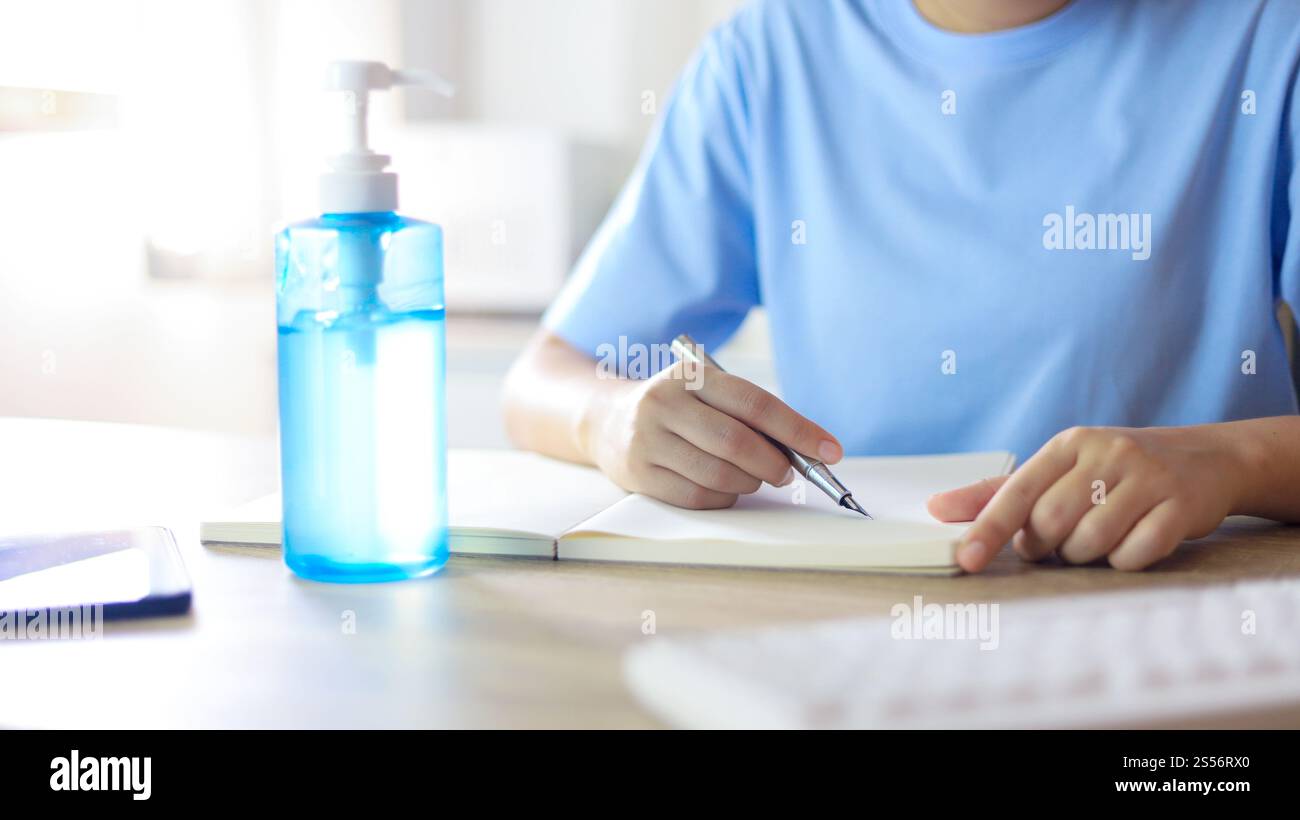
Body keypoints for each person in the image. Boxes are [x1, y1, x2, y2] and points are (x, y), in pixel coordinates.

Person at [502, 0, 1300, 573]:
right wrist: (610, 418)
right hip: (853, 612)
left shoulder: (1269, 38)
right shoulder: (766, 59)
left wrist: (1224, 462)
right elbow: (543, 378)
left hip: (1179, 606)